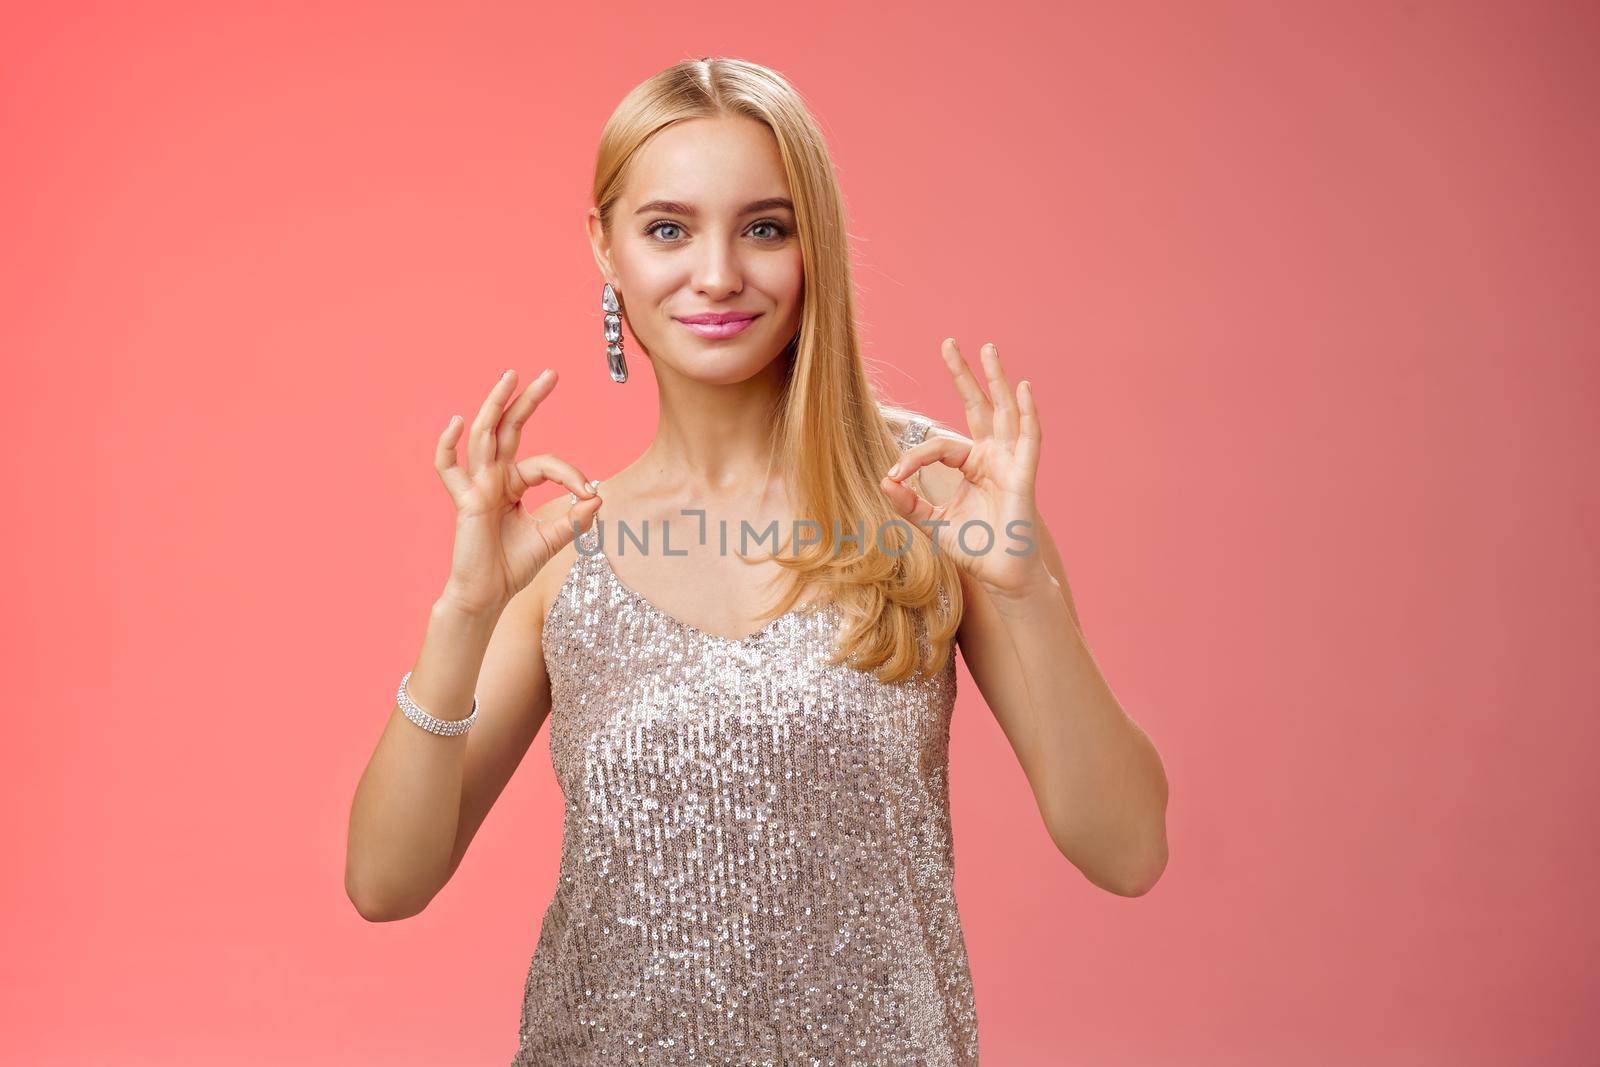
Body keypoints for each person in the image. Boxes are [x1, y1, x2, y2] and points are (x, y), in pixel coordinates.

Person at [345, 56, 1169, 1066]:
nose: (719, 272)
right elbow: (386, 883)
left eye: (764, 227)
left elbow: (1127, 849)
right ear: (605, 247)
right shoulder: (563, 548)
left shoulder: (933, 494)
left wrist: (1026, 588)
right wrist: (462, 610)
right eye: (667, 228)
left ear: (811, 244)